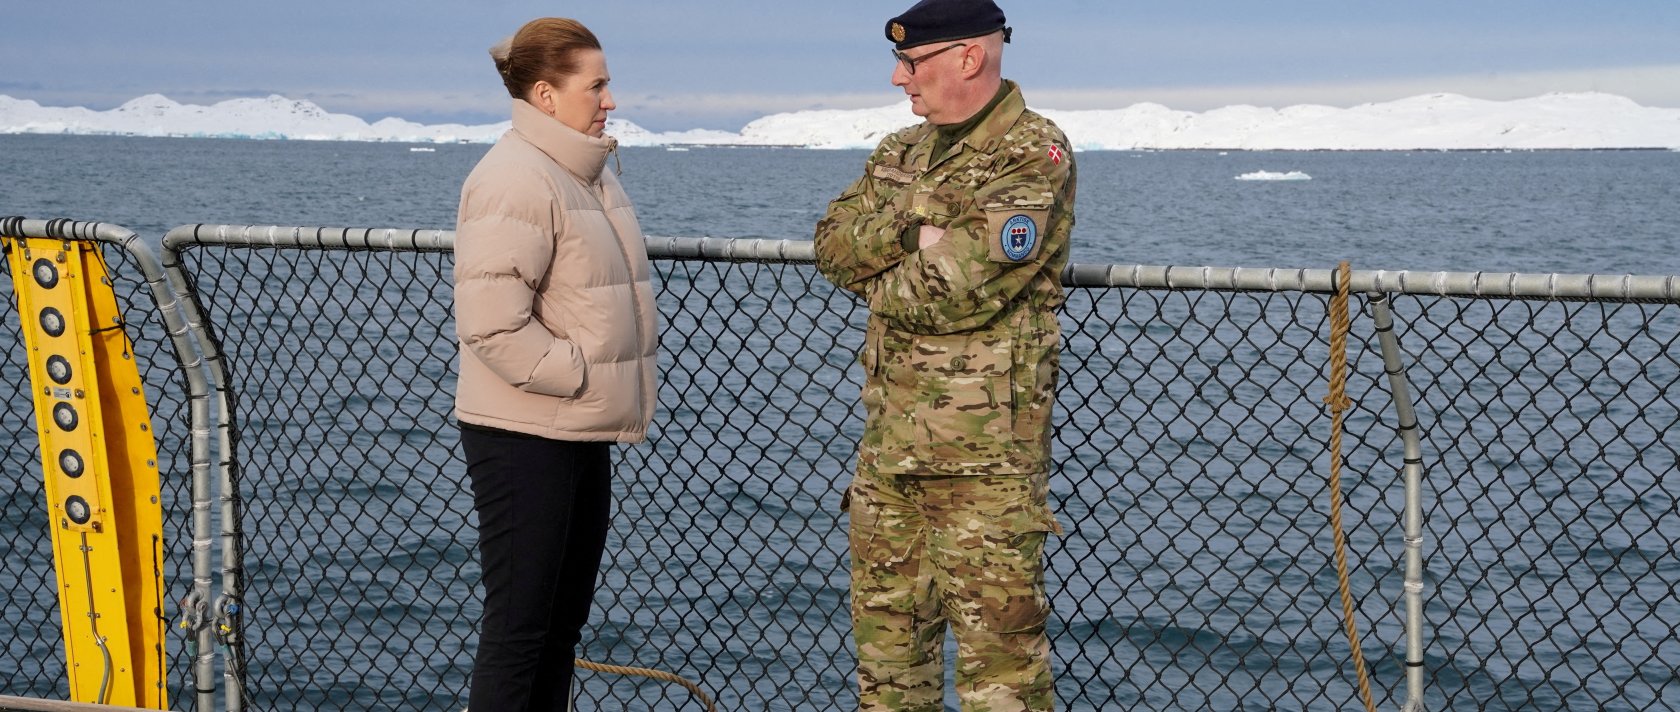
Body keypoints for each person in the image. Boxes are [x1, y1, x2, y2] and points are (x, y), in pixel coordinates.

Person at [813, 0, 1076, 709]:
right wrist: (916, 226)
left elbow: (954, 287)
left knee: (1003, 679)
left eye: (912, 62)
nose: (899, 79)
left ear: (968, 57)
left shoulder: (1032, 152)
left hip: (984, 470)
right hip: (888, 457)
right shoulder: (899, 153)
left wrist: (892, 257)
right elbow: (831, 246)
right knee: (889, 674)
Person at [453, 17, 657, 712]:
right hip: (526, 435)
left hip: (573, 427)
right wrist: (578, 375)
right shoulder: (514, 178)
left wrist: (584, 391)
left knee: (558, 629)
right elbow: (491, 324)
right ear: (545, 94)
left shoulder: (586, 173)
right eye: (596, 85)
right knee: (519, 629)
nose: (610, 99)